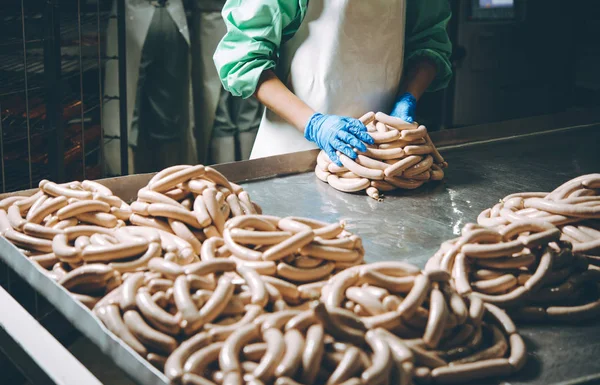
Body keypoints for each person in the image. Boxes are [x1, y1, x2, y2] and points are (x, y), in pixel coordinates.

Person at [213, 0, 452, 165]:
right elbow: (244, 60)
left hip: (382, 148)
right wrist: (315, 125)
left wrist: (407, 98)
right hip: (295, 148)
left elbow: (429, 42)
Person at [103, 0, 196, 175]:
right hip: (172, 16)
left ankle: (125, 191)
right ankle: (171, 190)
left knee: (124, 115)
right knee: (168, 119)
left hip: (133, 16)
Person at [188, 0, 264, 165]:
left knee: (227, 107)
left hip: (241, 13)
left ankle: (244, 175)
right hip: (240, 13)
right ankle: (240, 175)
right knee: (237, 106)